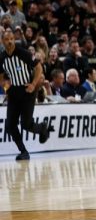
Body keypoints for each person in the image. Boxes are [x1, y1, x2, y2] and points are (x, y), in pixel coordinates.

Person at [0, 30, 52, 160]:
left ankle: (42, 128)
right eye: (7, 39)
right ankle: (23, 151)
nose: (10, 41)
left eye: (12, 38)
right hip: (13, 93)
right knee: (10, 125)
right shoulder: (1, 57)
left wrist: (33, 84)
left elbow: (39, 68)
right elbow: (1, 76)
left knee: (26, 125)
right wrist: (6, 88)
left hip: (27, 91)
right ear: (2, 41)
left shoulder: (24, 53)